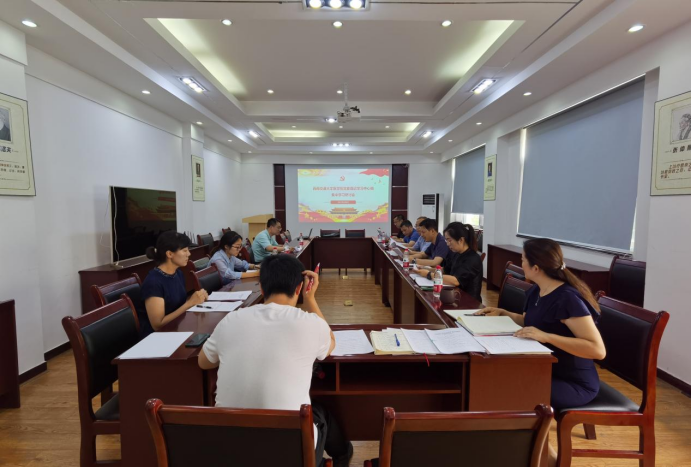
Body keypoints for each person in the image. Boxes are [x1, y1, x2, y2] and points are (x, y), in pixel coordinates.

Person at [198, 254, 353, 467]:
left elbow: (203, 362)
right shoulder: (309, 323)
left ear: (261, 288)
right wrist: (310, 299)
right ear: (299, 288)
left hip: (230, 451)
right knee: (320, 413)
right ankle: (342, 457)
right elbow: (331, 343)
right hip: (290, 455)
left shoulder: (232, 319)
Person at [475, 238, 606, 467]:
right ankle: (513, 451)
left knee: (517, 392)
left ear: (536, 267)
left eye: (523, 260)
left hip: (574, 382)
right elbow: (531, 322)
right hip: (545, 368)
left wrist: (547, 337)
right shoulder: (537, 290)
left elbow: (597, 349)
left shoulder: (567, 298)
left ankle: (548, 459)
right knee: (498, 380)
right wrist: (504, 313)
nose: (521, 264)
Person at [141, 231, 208, 335]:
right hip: (158, 337)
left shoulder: (178, 273)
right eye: (184, 250)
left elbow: (177, 305)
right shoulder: (153, 282)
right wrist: (189, 303)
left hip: (177, 327)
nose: (189, 254)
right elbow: (157, 325)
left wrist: (197, 299)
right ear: (169, 254)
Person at [415, 222, 482, 301]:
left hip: (468, 301)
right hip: (454, 295)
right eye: (446, 240)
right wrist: (425, 268)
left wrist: (429, 274)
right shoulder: (456, 254)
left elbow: (455, 281)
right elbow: (445, 270)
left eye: (449, 240)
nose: (447, 244)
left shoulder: (472, 258)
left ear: (461, 240)